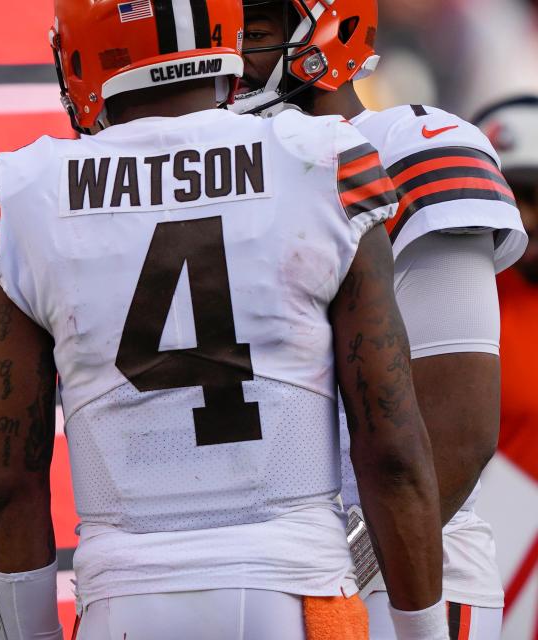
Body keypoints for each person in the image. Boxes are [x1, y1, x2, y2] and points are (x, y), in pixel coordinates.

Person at [0, 0, 446, 638]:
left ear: (80, 55)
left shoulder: (24, 191)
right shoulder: (324, 160)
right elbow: (390, 449)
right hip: (296, 587)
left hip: (125, 596)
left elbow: (9, 482)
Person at [232, 2, 528, 638]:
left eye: (252, 32)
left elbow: (452, 434)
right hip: (253, 579)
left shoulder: (408, 147)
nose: (227, 57)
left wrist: (331, 579)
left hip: (396, 581)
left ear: (327, 34)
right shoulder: (193, 180)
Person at [473, 97, 538, 489]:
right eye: (507, 197)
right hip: (487, 542)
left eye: (534, 195)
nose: (524, 218)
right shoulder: (446, 296)